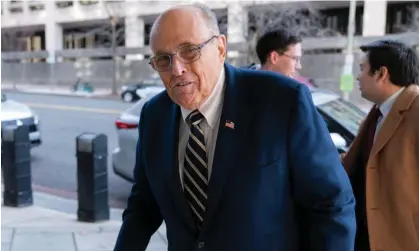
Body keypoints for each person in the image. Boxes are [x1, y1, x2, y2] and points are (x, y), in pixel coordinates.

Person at [114, 4, 356, 251]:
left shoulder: (282, 100)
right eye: (163, 59)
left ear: (220, 48)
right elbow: (143, 206)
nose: (177, 69)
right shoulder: (155, 114)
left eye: (189, 51)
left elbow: (331, 204)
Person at [342, 40, 419, 251]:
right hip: (368, 236)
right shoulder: (379, 111)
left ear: (381, 73)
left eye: (362, 69)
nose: (358, 76)